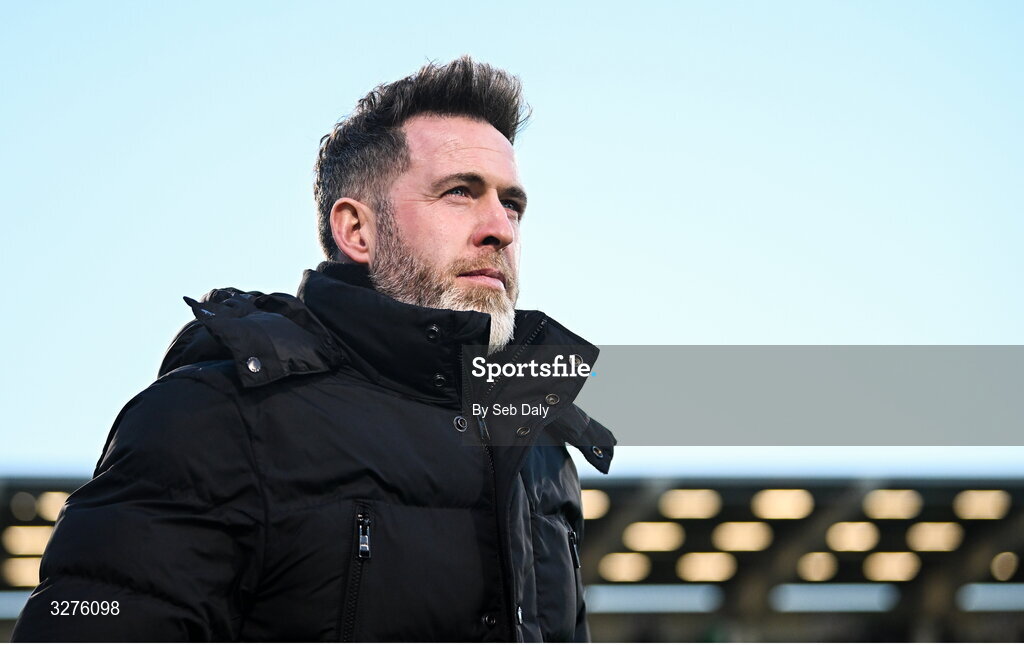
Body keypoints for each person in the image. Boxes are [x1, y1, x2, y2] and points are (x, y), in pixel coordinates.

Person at [12, 56, 615, 642]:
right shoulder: (215, 417)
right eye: (460, 192)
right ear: (356, 230)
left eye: (512, 204)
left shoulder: (538, 447)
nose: (501, 229)